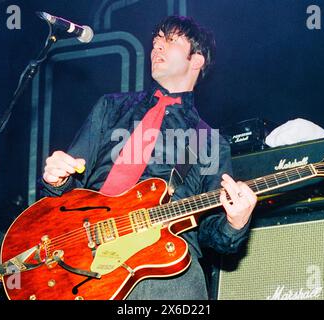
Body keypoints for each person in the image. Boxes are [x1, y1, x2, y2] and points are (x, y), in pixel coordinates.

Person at [41, 15, 257, 300]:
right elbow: (65, 198)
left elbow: (209, 233)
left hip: (164, 270)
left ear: (197, 60)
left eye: (169, 40)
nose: (157, 46)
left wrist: (236, 223)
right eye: (155, 40)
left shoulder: (210, 142)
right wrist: (56, 180)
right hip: (84, 260)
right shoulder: (110, 107)